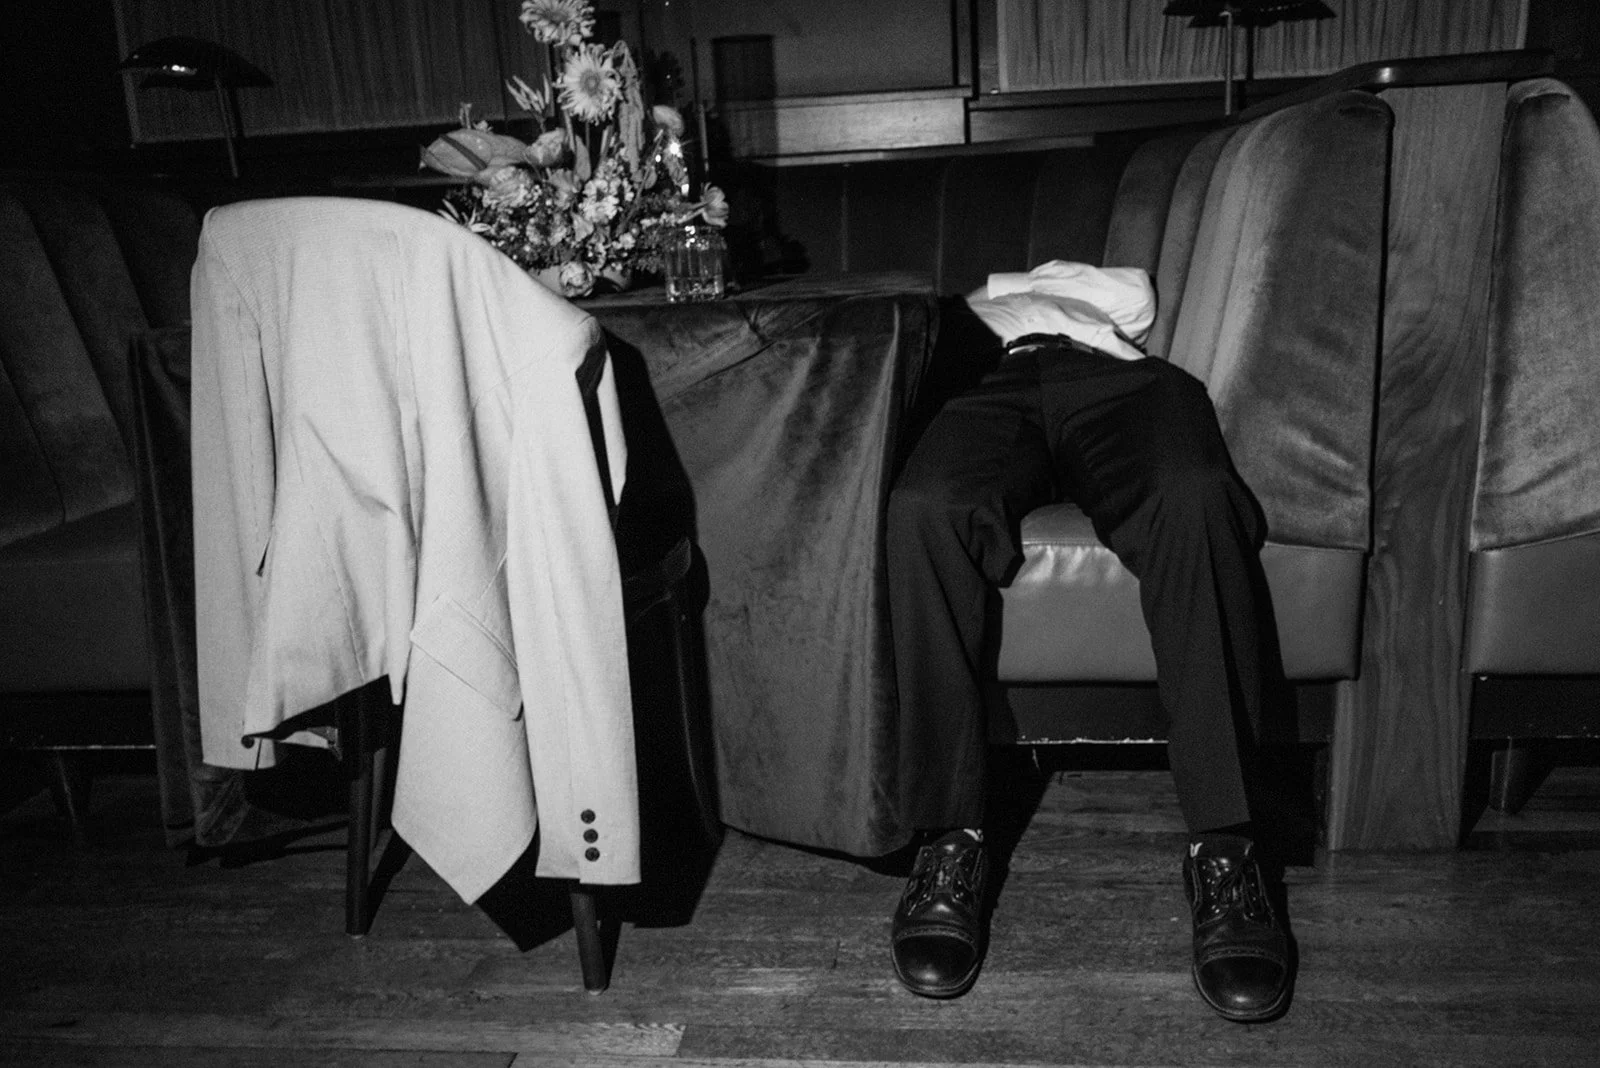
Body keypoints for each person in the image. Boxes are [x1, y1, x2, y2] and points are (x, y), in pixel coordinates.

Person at [884, 261, 1292, 1021]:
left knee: (1197, 499)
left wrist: (1023, 283)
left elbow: (1131, 293)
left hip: (1119, 385)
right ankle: (948, 839)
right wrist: (989, 304)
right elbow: (943, 331)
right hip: (986, 389)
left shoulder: (1100, 292)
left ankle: (1227, 846)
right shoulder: (965, 318)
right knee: (923, 507)